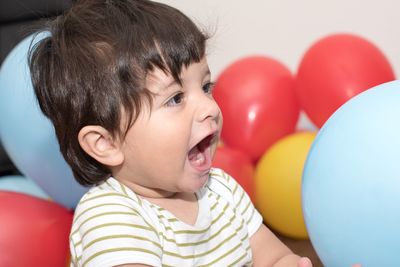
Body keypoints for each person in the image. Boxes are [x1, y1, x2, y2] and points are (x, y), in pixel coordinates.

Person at [29, 0, 313, 266]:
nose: (209, 108)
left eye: (205, 87)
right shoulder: (109, 216)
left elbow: (274, 258)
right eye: (175, 98)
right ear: (106, 143)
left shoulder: (221, 190)